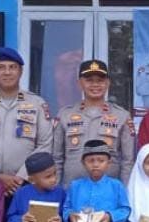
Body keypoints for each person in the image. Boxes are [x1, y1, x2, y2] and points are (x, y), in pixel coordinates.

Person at [0, 47, 56, 203]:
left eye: (12, 67)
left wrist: (20, 177)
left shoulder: (37, 103)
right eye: (1, 68)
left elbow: (45, 144)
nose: (7, 72)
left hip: (26, 185)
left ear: (20, 72)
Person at [54, 58, 136, 186]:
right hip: (72, 192)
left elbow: (127, 161)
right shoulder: (65, 115)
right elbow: (57, 159)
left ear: (108, 83)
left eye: (100, 80)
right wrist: (55, 191)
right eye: (89, 80)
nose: (95, 85)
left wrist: (124, 191)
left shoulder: (122, 116)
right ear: (79, 83)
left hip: (108, 193)